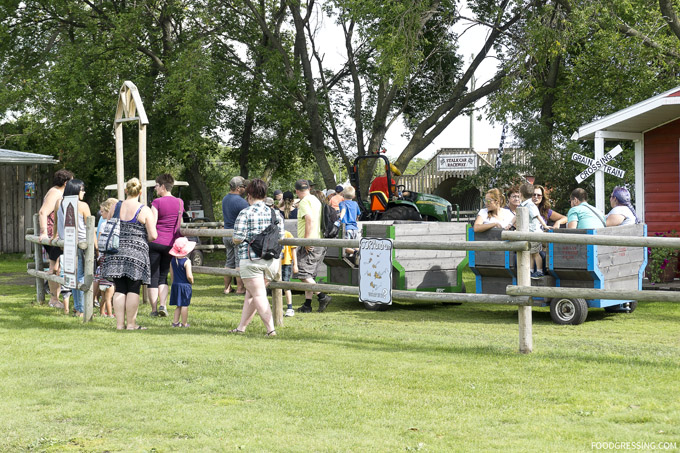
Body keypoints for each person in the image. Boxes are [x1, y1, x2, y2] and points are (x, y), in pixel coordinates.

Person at [229, 179, 284, 336]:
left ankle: (270, 330)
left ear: (249, 194)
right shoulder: (275, 213)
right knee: (251, 294)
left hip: (251, 259)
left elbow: (238, 237)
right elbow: (280, 235)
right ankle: (241, 328)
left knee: (258, 295)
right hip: (271, 261)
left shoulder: (246, 213)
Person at [101, 178, 157, 330]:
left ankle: (120, 325)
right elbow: (153, 235)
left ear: (126, 191)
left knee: (119, 288)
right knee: (133, 289)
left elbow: (110, 225)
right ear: (140, 192)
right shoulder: (144, 210)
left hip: (116, 251)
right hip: (136, 254)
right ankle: (131, 324)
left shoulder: (115, 207)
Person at [53, 179, 91, 316]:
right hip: (81, 244)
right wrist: (96, 247)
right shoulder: (83, 206)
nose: (84, 192)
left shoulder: (59, 203)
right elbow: (89, 228)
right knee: (80, 276)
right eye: (82, 189)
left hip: (66, 245)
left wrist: (54, 237)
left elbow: (56, 223)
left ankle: (77, 307)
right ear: (76, 190)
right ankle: (81, 309)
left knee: (73, 276)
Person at [148, 173, 184, 317]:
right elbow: (179, 224)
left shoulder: (157, 202)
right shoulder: (180, 202)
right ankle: (163, 305)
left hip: (156, 242)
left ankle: (154, 310)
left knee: (153, 277)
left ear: (163, 186)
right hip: (170, 244)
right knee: (164, 276)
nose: (156, 189)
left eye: (157, 186)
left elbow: (152, 222)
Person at [294, 179, 332, 313]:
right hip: (319, 240)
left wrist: (305, 241)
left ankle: (322, 296)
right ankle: (307, 305)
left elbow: (309, 220)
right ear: (309, 188)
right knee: (310, 276)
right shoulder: (315, 200)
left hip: (310, 242)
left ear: (297, 191)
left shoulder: (304, 201)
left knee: (303, 274)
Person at [38, 169, 73, 308]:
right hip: (53, 234)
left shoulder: (59, 192)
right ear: (65, 182)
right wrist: (44, 232)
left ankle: (56, 298)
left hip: (57, 233)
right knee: (55, 266)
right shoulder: (55, 193)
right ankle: (54, 298)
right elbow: (43, 212)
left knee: (57, 266)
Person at [222, 176, 249, 295]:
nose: (245, 189)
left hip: (226, 234)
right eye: (243, 187)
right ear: (238, 188)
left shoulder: (225, 199)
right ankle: (240, 288)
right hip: (237, 234)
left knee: (229, 262)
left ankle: (227, 288)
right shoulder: (241, 202)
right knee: (239, 262)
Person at [519, 183, 551, 279]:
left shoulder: (529, 205)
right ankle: (531, 270)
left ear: (521, 194)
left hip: (534, 232)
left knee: (536, 253)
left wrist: (545, 225)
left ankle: (539, 270)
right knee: (530, 253)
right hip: (529, 233)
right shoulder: (524, 205)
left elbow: (537, 215)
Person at [95, 198, 118, 318]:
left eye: (102, 211)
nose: (100, 213)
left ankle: (101, 312)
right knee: (109, 298)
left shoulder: (103, 224)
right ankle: (110, 314)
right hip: (109, 281)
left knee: (103, 297)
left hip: (102, 279)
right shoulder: (107, 224)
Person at [168, 237, 195, 328]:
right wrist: (192, 281)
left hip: (175, 284)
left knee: (178, 305)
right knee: (184, 305)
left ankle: (175, 322)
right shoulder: (187, 261)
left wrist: (173, 283)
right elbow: (189, 275)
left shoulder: (172, 261)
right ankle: (184, 323)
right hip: (184, 285)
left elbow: (172, 274)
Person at [337, 186, 362, 263]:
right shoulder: (355, 204)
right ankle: (360, 253)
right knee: (355, 245)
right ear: (354, 196)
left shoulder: (342, 203)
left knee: (344, 247)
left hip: (347, 228)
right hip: (355, 228)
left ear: (343, 195)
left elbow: (343, 211)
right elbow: (358, 215)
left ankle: (356, 253)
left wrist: (339, 219)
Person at [281, 230, 298, 317]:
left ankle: (290, 308)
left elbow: (293, 250)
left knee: (286, 285)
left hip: (286, 263)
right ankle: (278, 307)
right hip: (275, 263)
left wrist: (295, 264)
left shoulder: (288, 233)